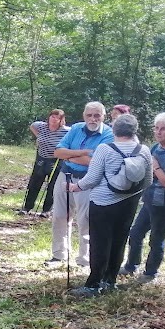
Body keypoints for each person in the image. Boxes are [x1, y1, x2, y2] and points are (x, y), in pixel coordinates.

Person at [68, 114, 148, 296]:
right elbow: (148, 180)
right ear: (134, 130)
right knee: (119, 241)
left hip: (103, 203)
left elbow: (92, 178)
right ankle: (110, 281)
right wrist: (131, 195)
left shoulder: (105, 149)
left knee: (100, 242)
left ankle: (93, 284)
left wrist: (75, 186)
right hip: (129, 203)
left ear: (114, 130)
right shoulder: (143, 150)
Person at [121, 113, 165, 284]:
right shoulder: (155, 148)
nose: (158, 132)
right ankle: (131, 265)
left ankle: (150, 273)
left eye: (163, 128)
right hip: (150, 200)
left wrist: (155, 165)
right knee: (135, 233)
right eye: (156, 128)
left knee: (156, 239)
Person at [50, 102, 113, 268]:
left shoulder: (108, 134)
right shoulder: (76, 128)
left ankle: (84, 260)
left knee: (85, 220)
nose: (93, 119)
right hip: (65, 176)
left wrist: (69, 155)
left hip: (89, 181)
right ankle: (59, 255)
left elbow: (94, 163)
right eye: (89, 115)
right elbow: (57, 152)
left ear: (103, 117)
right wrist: (82, 153)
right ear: (84, 115)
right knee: (59, 216)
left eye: (97, 115)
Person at [20, 109, 68, 216]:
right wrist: (38, 136)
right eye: (52, 116)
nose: (54, 119)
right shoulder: (42, 126)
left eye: (57, 118)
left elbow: (73, 137)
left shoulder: (66, 131)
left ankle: (46, 210)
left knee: (53, 185)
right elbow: (32, 125)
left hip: (56, 160)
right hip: (41, 157)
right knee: (34, 183)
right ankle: (27, 207)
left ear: (61, 120)